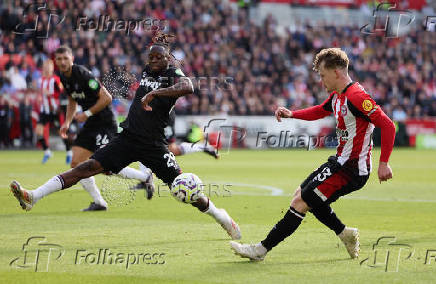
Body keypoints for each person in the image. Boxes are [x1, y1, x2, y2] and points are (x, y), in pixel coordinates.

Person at [10, 36, 241, 240]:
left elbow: (188, 86)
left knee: (183, 190)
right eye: (150, 57)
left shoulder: (172, 74)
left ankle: (221, 217)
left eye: (157, 57)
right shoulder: (147, 71)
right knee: (85, 166)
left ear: (167, 59)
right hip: (127, 138)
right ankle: (34, 196)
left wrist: (155, 93)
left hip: (154, 145)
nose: (151, 61)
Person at [230, 48, 395, 261]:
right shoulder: (337, 96)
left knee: (304, 200)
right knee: (302, 194)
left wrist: (384, 163)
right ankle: (345, 233)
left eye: (323, 75)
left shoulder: (357, 96)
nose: (321, 80)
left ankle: (260, 250)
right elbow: (320, 110)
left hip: (353, 169)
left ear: (336, 72)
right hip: (339, 162)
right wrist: (292, 114)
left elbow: (388, 126)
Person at [12, 46, 153, 212]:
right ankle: (99, 202)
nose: (63, 62)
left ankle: (145, 177)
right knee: (77, 163)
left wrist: (86, 113)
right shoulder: (64, 78)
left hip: (104, 123)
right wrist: (67, 122)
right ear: (55, 62)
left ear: (72, 58)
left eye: (65, 58)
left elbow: (106, 98)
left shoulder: (82, 74)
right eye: (59, 59)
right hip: (91, 123)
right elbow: (72, 100)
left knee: (105, 165)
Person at [35, 59, 71, 163]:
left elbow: (61, 92)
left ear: (52, 68)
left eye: (48, 66)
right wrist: (40, 98)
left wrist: (50, 94)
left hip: (55, 110)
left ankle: (69, 152)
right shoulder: (41, 80)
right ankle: (47, 152)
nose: (46, 68)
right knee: (38, 131)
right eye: (45, 66)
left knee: (62, 132)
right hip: (44, 110)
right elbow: (41, 93)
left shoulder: (56, 80)